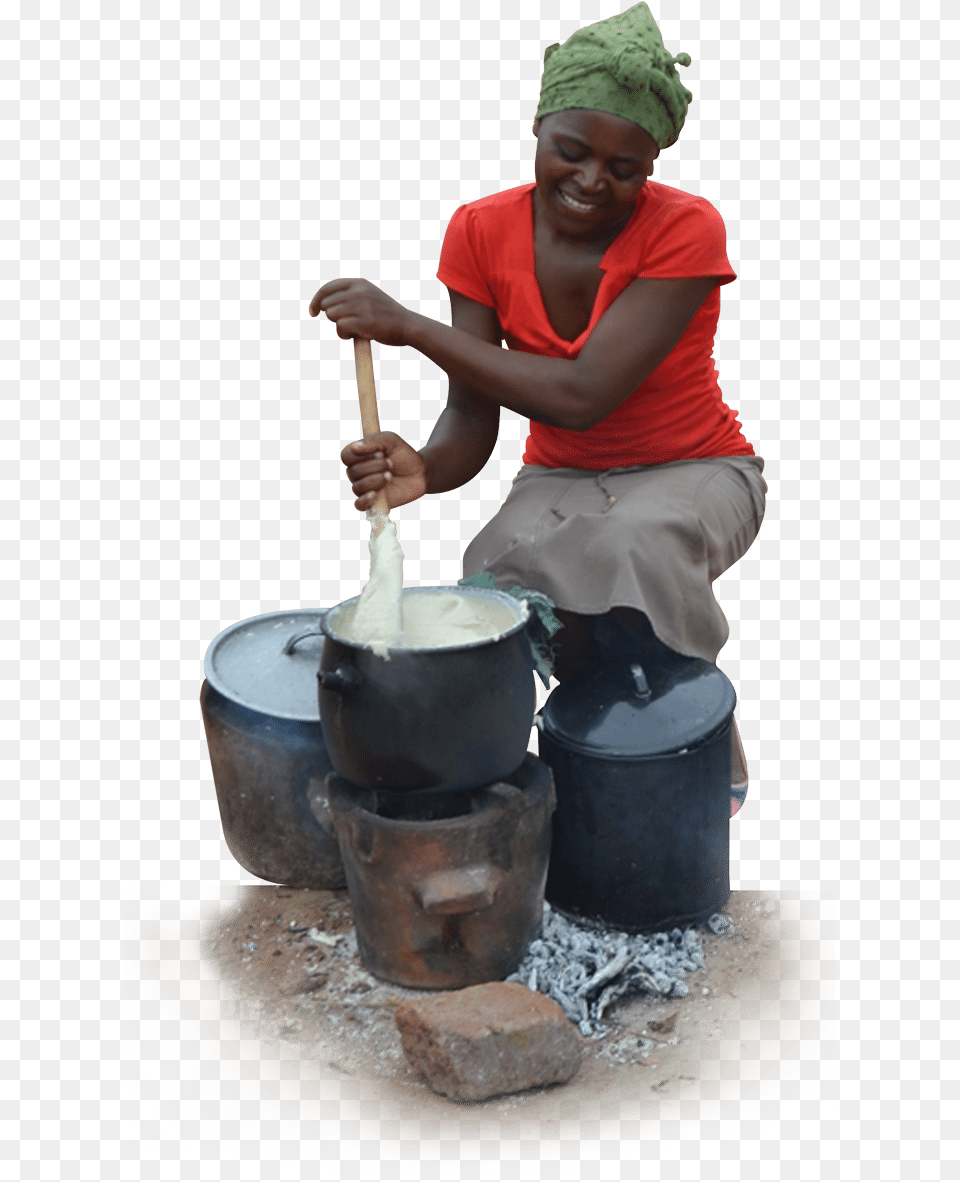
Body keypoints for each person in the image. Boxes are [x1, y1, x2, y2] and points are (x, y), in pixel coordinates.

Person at [309, 3, 765, 816]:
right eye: (573, 150)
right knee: (497, 579)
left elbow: (583, 397)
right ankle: (587, 760)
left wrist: (407, 326)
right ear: (538, 126)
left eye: (627, 168)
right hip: (561, 473)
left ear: (653, 165)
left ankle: (695, 752)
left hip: (698, 468)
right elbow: (474, 417)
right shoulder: (480, 232)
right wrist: (428, 468)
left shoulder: (686, 231)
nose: (594, 180)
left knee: (632, 548)